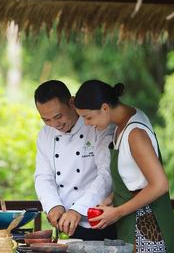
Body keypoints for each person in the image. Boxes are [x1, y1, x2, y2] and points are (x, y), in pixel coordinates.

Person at [74, 79, 174, 253]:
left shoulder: (135, 133)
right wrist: (110, 199)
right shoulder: (123, 124)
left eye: (88, 117)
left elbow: (159, 185)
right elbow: (136, 178)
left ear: (105, 108)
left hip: (148, 229)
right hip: (132, 224)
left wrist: (117, 212)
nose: (86, 123)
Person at [34, 80, 116, 240]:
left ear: (71, 103)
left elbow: (106, 174)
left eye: (58, 116)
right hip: (66, 225)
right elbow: (43, 176)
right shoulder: (45, 135)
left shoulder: (97, 125)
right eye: (46, 120)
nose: (55, 124)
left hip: (99, 221)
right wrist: (53, 205)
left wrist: (78, 209)